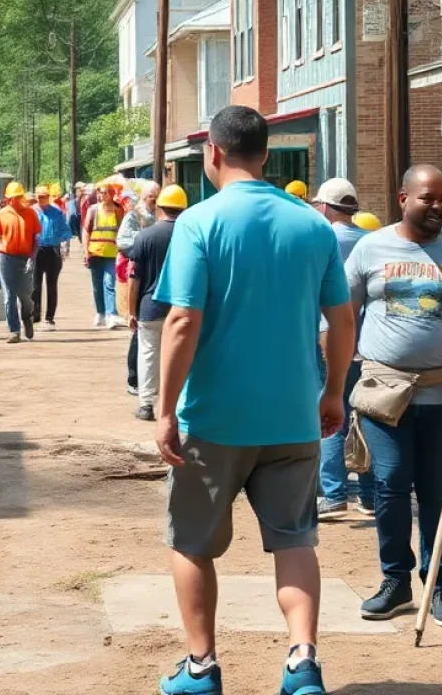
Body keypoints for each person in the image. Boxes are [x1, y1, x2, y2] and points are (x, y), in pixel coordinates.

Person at [155, 105, 354, 695]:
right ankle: (302, 661)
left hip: (214, 418)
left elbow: (183, 320)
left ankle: (200, 668)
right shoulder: (313, 226)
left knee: (191, 540)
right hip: (293, 413)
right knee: (295, 538)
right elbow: (342, 319)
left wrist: (164, 410)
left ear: (213, 153)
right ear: (265, 155)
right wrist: (334, 391)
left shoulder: (199, 222)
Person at [348, 164, 442, 628]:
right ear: (402, 198)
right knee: (389, 484)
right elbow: (345, 314)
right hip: (384, 393)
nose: (438, 207)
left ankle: (438, 584)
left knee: (438, 491)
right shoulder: (370, 247)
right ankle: (396, 582)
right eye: (428, 198)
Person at [309, 178, 375, 520]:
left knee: (329, 413)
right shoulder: (370, 242)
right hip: (369, 344)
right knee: (363, 415)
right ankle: (368, 494)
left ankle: (333, 492)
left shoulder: (320, 239)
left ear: (324, 207)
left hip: (330, 338)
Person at [127, 185, 187, 422]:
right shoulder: (191, 235)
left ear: (159, 207)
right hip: (183, 307)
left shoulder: (144, 237)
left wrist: (131, 311)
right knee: (182, 355)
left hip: (149, 307)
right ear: (183, 209)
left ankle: (146, 405)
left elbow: (134, 279)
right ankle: (178, 405)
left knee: (148, 355)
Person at [119, 182, 160, 394]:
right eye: (153, 197)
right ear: (145, 197)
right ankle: (133, 378)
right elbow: (122, 240)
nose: (156, 200)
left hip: (157, 273)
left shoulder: (160, 215)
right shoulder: (134, 216)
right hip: (139, 273)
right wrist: (145, 240)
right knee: (139, 331)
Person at [0, 182, 42, 344]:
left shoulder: (30, 214)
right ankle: (14, 330)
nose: (17, 200)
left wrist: (32, 257)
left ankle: (27, 317)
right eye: (14, 198)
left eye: (19, 197)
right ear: (8, 199)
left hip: (25, 257)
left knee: (25, 295)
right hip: (6, 258)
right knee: (9, 295)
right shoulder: (1, 215)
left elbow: (36, 238)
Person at [82, 183, 123, 329]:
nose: (101, 195)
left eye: (105, 192)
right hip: (95, 252)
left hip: (112, 253)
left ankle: (111, 314)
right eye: (99, 192)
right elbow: (86, 230)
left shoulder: (118, 210)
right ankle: (100, 312)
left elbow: (122, 230)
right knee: (97, 285)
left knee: (109, 282)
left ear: (112, 194)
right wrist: (86, 251)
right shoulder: (93, 209)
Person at [33, 184, 72, 330]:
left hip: (52, 250)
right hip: (36, 251)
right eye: (38, 196)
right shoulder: (31, 212)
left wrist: (58, 239)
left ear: (48, 197)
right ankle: (35, 315)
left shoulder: (57, 213)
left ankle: (49, 318)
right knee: (34, 285)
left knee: (51, 285)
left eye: (43, 196)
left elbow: (67, 232)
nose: (40, 199)